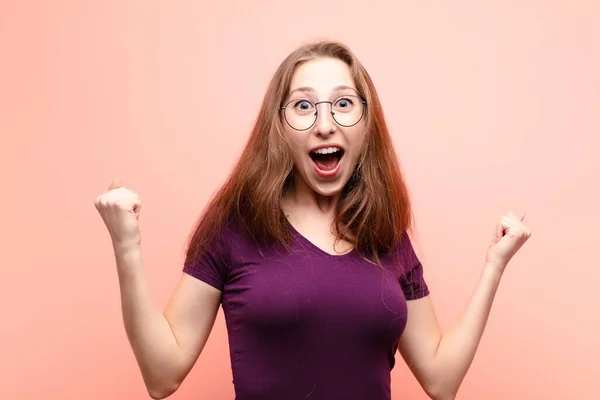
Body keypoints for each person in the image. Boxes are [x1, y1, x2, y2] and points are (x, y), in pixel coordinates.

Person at [94, 40, 531, 400]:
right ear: (279, 126)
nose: (325, 124)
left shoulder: (385, 235)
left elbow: (441, 378)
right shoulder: (234, 225)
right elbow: (161, 374)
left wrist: (494, 264)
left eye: (343, 103)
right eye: (304, 107)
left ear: (367, 124)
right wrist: (126, 247)